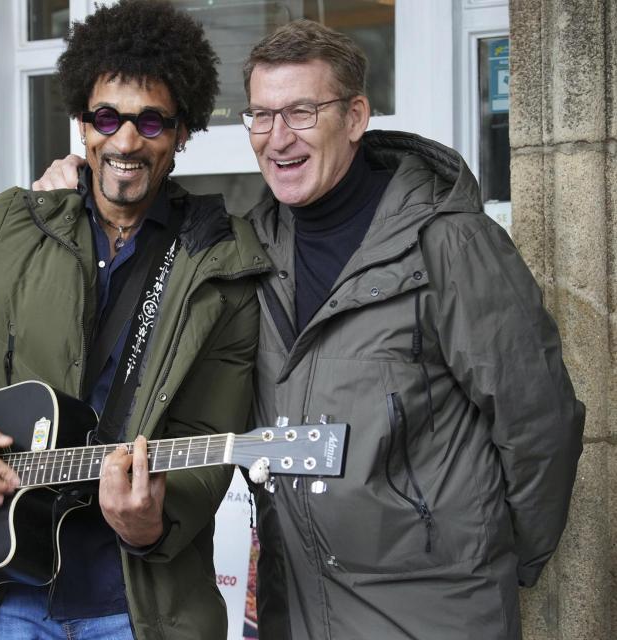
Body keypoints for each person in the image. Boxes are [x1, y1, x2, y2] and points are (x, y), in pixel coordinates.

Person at [36, 19, 585, 640]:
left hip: (433, 610)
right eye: (261, 116)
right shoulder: (249, 248)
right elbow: (146, 241)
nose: (278, 138)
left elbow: (539, 423)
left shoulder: (451, 245)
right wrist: (77, 202)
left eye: (301, 112)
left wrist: (486, 560)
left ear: (354, 117)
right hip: (295, 606)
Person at [0, 1, 268, 639]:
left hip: (131, 605)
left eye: (151, 121)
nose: (125, 142)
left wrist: (152, 522)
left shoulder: (221, 263)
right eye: (108, 117)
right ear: (82, 123)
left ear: (182, 131)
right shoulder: (16, 222)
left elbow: (209, 439)